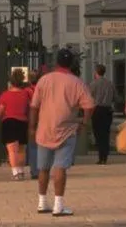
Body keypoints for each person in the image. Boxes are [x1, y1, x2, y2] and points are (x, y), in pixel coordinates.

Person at [29, 48, 94, 218]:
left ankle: (42, 202)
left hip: (44, 129)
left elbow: (34, 106)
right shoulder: (77, 82)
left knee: (42, 168)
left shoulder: (44, 80)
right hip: (66, 130)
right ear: (71, 63)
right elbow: (89, 106)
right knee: (60, 168)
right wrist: (84, 123)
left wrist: (32, 126)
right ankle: (59, 204)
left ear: (56, 62)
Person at [0, 68, 31, 180]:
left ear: (11, 82)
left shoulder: (5, 95)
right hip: (22, 122)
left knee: (12, 149)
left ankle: (15, 172)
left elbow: (0, 111)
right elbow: (29, 109)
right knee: (21, 149)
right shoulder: (25, 94)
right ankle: (21, 171)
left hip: (9, 122)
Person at [88, 64, 115, 165]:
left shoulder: (93, 84)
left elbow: (89, 97)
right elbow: (115, 97)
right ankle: (105, 155)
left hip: (97, 110)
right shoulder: (110, 83)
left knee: (98, 133)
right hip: (107, 110)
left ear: (96, 72)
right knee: (106, 133)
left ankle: (101, 156)